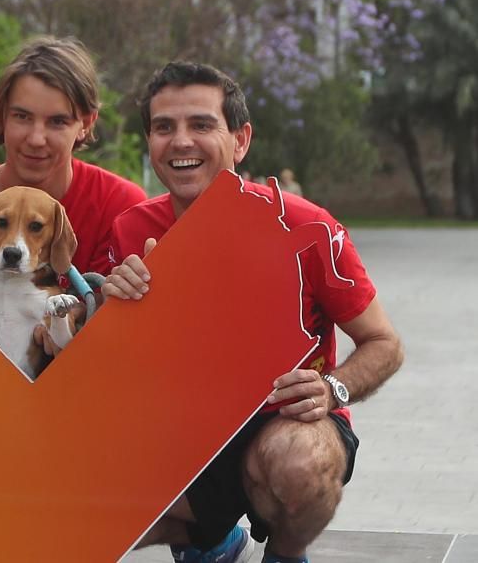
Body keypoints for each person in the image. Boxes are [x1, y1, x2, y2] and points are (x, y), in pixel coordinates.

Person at [103, 61, 404, 563]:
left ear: (241, 140)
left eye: (201, 124)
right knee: (81, 505)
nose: (181, 141)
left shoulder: (308, 226)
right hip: (185, 437)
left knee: (299, 465)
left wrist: (334, 389)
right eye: (163, 127)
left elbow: (385, 343)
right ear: (150, 142)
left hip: (284, 422)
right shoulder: (130, 232)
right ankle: (211, 539)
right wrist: (115, 309)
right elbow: (105, 370)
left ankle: (286, 554)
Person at [0, 36, 148, 562]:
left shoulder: (125, 207)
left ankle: (204, 537)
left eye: (58, 121)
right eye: (21, 116)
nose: (36, 138)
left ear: (86, 123)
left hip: (87, 433)